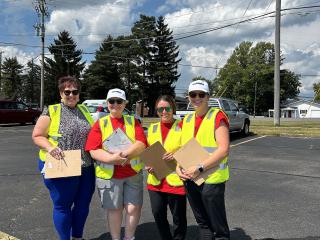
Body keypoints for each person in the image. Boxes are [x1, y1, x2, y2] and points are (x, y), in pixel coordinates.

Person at [32, 76, 95, 240]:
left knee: (82, 206)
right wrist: (50, 147)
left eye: (75, 91)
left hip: (86, 166)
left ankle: (78, 237)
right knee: (63, 206)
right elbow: (37, 136)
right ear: (61, 93)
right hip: (62, 165)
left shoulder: (85, 110)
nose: (71, 95)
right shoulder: (51, 111)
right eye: (67, 92)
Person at [85, 88, 147, 240]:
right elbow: (93, 150)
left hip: (132, 174)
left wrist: (124, 155)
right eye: (112, 101)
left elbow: (141, 143)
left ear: (125, 103)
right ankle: (115, 238)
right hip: (109, 175)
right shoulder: (101, 123)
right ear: (107, 103)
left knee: (133, 208)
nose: (115, 104)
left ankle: (129, 237)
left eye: (119, 101)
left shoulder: (133, 121)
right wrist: (112, 159)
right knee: (115, 209)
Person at [176, 80, 230, 240]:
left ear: (208, 97)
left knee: (218, 226)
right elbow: (183, 148)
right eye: (193, 94)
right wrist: (178, 167)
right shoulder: (186, 120)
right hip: (191, 178)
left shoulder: (217, 116)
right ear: (188, 97)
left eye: (201, 94)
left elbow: (224, 149)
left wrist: (200, 168)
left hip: (212, 178)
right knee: (203, 223)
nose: (197, 98)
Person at [146, 95, 187, 240]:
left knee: (179, 218)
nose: (164, 112)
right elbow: (148, 150)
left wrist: (176, 155)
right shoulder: (152, 128)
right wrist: (148, 164)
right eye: (160, 109)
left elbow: (190, 148)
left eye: (167, 108)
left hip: (175, 180)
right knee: (158, 214)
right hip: (155, 180)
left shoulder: (182, 126)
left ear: (173, 108)